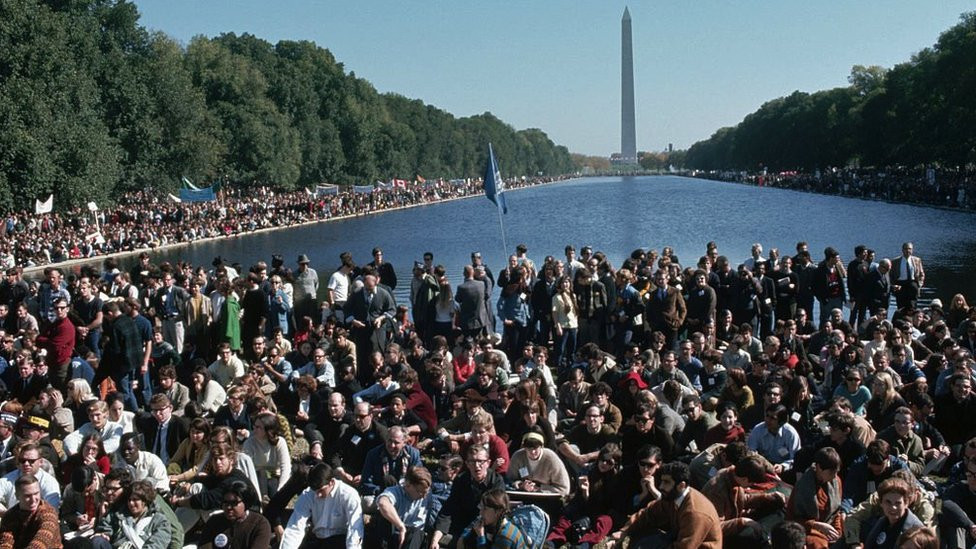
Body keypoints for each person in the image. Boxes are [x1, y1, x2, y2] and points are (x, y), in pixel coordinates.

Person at [606, 461, 722, 549]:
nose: (661, 486)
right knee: (641, 532)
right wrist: (624, 531)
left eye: (666, 482)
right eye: (661, 481)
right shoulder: (673, 496)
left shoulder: (695, 513)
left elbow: (684, 547)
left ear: (681, 485)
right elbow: (648, 514)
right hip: (676, 538)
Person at [430, 445, 505, 548]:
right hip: (461, 526)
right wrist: (437, 535)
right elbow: (449, 507)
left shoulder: (496, 481)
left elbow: (491, 514)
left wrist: (465, 536)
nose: (477, 466)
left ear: (488, 463)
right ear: (467, 464)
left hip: (485, 528)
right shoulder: (461, 480)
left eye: (481, 461)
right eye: (472, 462)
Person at [280, 462, 364, 549]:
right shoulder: (308, 494)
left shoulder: (348, 495)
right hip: (318, 540)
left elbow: (355, 527)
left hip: (340, 540)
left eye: (321, 490)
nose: (318, 495)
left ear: (331, 482)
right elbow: (295, 527)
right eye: (315, 491)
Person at [786, 447, 844, 549]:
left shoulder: (836, 482)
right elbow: (791, 520)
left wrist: (837, 531)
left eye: (836, 472)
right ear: (819, 468)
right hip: (808, 531)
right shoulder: (802, 487)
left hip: (830, 529)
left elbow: (836, 512)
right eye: (831, 473)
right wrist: (816, 525)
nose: (834, 476)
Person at [91, 480, 171, 549]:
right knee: (97, 541)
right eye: (129, 500)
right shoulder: (120, 514)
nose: (131, 503)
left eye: (135, 500)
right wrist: (105, 534)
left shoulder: (160, 521)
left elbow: (157, 544)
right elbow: (106, 527)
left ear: (145, 501)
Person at [198, 479, 271, 549]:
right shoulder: (214, 521)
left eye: (234, 503)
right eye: (226, 503)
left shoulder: (259, 524)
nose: (229, 507)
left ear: (246, 503)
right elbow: (204, 546)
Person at [375, 465, 433, 549]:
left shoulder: (426, 493)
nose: (424, 497)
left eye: (426, 492)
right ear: (408, 485)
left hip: (417, 538)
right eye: (420, 492)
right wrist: (400, 526)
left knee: (415, 533)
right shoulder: (395, 491)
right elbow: (383, 503)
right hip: (397, 535)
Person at [862, 477, 926, 549]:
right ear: (881, 503)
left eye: (898, 503)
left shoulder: (916, 532)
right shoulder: (882, 522)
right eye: (888, 502)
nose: (893, 507)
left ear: (906, 503)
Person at [0, 474, 61, 549]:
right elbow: (6, 542)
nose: (33, 500)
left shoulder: (48, 514)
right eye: (27, 496)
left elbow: (41, 541)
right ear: (17, 496)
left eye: (36, 494)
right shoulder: (10, 516)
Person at [505, 430, 570, 495]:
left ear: (542, 446)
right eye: (529, 448)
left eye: (536, 448)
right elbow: (509, 480)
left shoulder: (551, 459)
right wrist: (520, 485)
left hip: (547, 498)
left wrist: (539, 488)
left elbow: (564, 488)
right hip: (523, 495)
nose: (533, 452)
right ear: (524, 448)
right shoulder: (518, 457)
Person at [459, 488, 528, 548]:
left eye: (485, 509)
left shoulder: (505, 536)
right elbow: (464, 537)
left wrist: (481, 537)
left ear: (498, 512)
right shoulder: (489, 523)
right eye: (481, 508)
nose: (481, 513)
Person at [891, 243, 924, 310]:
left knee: (912, 306)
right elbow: (891, 275)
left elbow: (921, 274)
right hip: (900, 284)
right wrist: (893, 285)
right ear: (902, 250)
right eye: (906, 249)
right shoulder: (895, 261)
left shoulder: (917, 260)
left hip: (912, 283)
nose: (908, 250)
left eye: (909, 249)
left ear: (912, 250)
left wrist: (919, 284)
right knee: (901, 306)